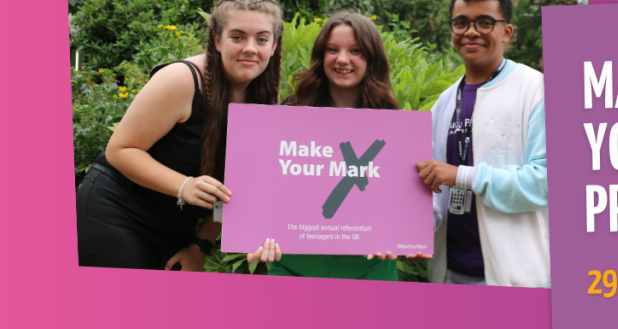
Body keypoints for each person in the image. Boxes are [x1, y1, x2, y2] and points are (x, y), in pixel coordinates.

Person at [77, 0, 284, 271]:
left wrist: (200, 245)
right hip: (117, 214)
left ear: (274, 46)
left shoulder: (266, 99)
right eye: (237, 36)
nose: (249, 48)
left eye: (261, 39)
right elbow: (121, 150)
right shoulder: (182, 80)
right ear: (217, 40)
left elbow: (237, 186)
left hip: (177, 230)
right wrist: (184, 185)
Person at [245, 12, 429, 280]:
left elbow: (399, 201)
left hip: (370, 270)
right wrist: (256, 235)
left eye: (356, 50)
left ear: (372, 58)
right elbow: (267, 191)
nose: (342, 59)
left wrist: (397, 237)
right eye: (332, 50)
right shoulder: (290, 115)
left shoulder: (393, 125)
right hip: (294, 268)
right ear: (321, 56)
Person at [416, 0, 549, 287]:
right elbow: (433, 189)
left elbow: (546, 181)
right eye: (461, 22)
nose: (471, 32)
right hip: (449, 273)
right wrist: (413, 232)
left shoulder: (536, 90)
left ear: (507, 32)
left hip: (517, 280)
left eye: (485, 22)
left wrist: (462, 175)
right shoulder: (444, 102)